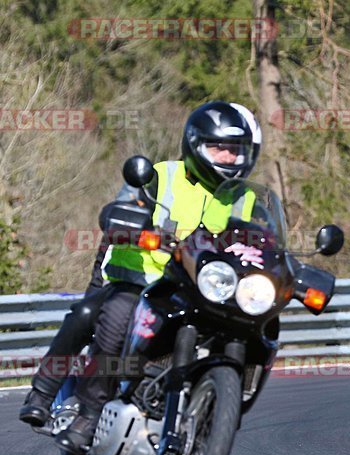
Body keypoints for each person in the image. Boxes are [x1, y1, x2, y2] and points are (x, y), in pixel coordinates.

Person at [19, 103, 262, 430]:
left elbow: (260, 246)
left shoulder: (245, 198)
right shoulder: (160, 176)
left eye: (236, 150)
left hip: (197, 292)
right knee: (96, 316)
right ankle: (56, 399)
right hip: (138, 282)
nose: (229, 158)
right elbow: (117, 213)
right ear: (196, 145)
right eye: (219, 148)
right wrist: (132, 227)